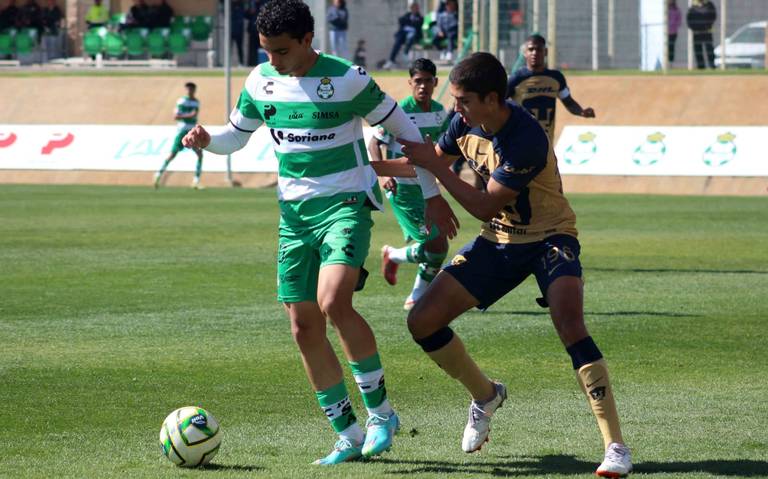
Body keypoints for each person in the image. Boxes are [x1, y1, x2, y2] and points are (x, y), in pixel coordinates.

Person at [181, 0, 458, 465]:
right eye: (266, 50)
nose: (272, 60)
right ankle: (346, 434)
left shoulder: (347, 79)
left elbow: (407, 132)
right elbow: (235, 134)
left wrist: (431, 191)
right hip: (293, 216)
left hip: (346, 205)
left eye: (282, 51)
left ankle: (381, 413)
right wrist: (208, 140)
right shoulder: (259, 80)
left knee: (333, 302)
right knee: (303, 325)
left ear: (309, 40)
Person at [398, 52, 632, 477]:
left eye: (464, 100)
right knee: (422, 321)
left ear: (492, 99)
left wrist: (434, 167)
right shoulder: (464, 123)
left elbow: (484, 203)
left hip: (550, 237)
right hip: (500, 241)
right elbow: (425, 161)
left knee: (570, 323)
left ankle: (615, 446)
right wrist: (358, 171)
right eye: (455, 100)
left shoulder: (525, 135)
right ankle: (485, 395)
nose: (456, 109)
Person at [368, 58, 450, 310]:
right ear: (410, 83)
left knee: (435, 244)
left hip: (427, 187)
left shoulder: (439, 112)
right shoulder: (400, 111)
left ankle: (393, 256)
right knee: (437, 244)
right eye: (418, 81)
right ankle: (416, 297)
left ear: (435, 82)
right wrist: (383, 175)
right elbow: (374, 143)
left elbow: (447, 147)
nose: (423, 86)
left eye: (427, 81)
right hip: (401, 187)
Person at [507, 34, 595, 142]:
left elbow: (569, 102)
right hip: (521, 140)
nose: (535, 53)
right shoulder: (516, 78)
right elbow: (499, 104)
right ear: (525, 53)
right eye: (531, 49)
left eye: (539, 49)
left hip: (546, 142)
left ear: (546, 52)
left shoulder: (556, 78)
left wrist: (581, 112)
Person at [154, 82, 204, 190]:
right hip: (182, 131)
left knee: (200, 154)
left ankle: (196, 181)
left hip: (192, 131)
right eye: (188, 89)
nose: (190, 91)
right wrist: (189, 115)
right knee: (173, 154)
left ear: (194, 90)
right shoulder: (182, 101)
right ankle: (158, 174)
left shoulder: (196, 102)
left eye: (191, 89)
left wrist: (188, 117)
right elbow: (176, 116)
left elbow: (194, 115)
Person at [382, 2, 423, 70]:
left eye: (416, 8)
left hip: (414, 37)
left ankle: (405, 53)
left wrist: (410, 24)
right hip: (403, 36)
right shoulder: (407, 15)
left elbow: (417, 25)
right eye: (413, 7)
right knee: (397, 43)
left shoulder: (420, 17)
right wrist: (410, 23)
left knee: (411, 35)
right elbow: (401, 20)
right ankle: (391, 60)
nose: (414, 9)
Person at [686, 0, 716, 69]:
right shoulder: (693, 7)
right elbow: (689, 19)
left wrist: (708, 25)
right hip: (697, 32)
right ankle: (701, 67)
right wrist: (694, 28)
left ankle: (712, 66)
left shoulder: (709, 5)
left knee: (709, 49)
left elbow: (713, 16)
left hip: (707, 31)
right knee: (698, 50)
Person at [245, 0, 265, 66]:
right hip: (252, 30)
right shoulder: (251, 3)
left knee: (263, 48)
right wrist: (249, 12)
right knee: (252, 49)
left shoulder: (264, 3)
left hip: (262, 30)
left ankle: (263, 63)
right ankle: (251, 64)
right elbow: (246, 15)